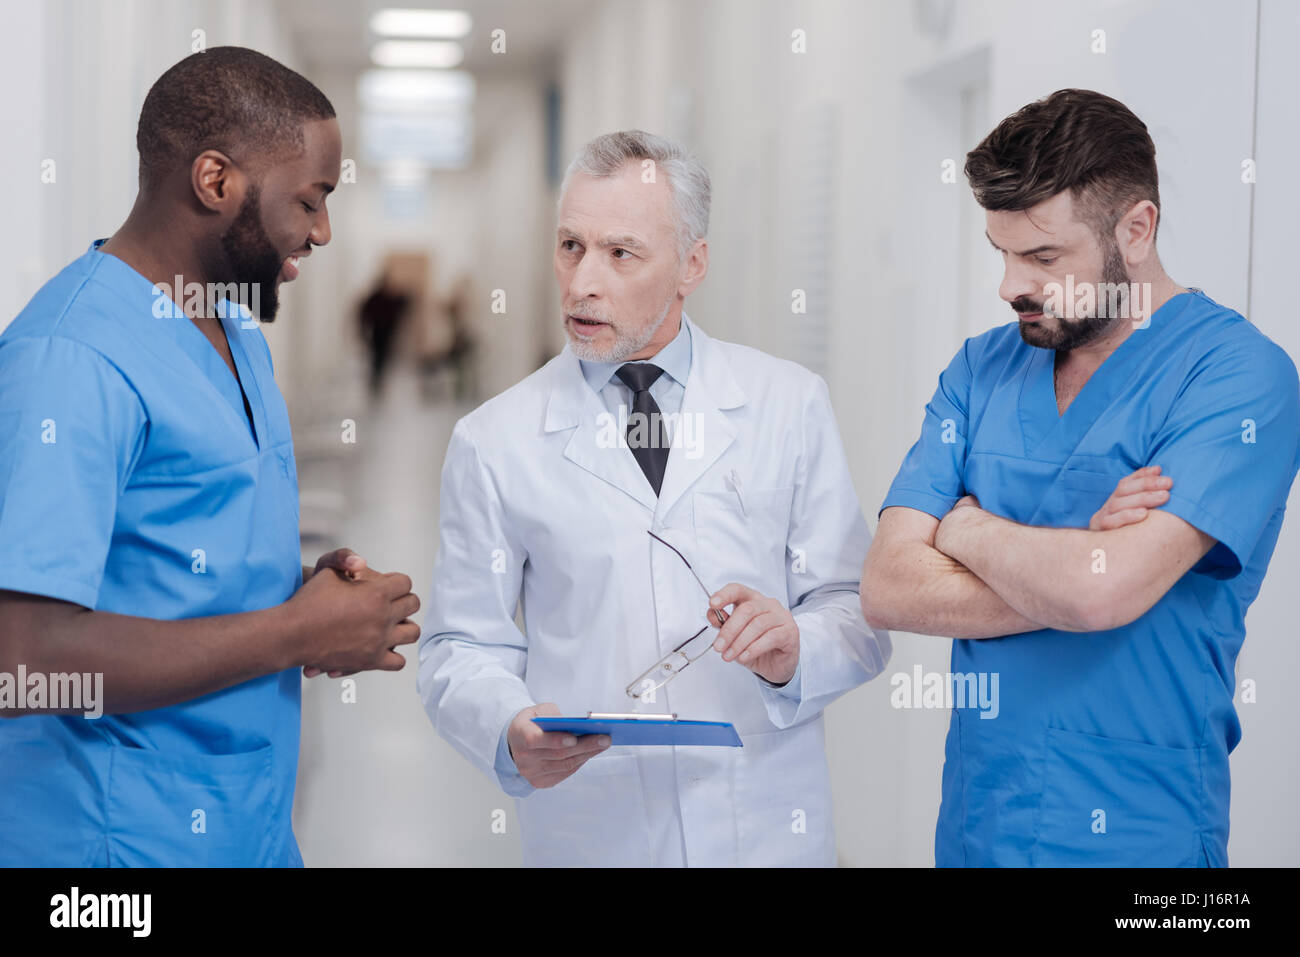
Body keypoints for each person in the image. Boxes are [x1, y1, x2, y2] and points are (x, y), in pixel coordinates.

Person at [419, 130, 890, 866]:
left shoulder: (787, 405)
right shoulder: (495, 439)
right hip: (595, 827)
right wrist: (508, 726)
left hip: (763, 823)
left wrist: (796, 650)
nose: (581, 283)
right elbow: (460, 645)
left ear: (690, 265)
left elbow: (859, 607)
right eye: (570, 246)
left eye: (621, 253)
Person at [0, 47, 420, 867]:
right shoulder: (69, 359)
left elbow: (175, 574)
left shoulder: (237, 338)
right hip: (111, 853)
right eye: (310, 199)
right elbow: (22, 660)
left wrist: (302, 599)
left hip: (241, 826)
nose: (323, 231)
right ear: (215, 180)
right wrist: (293, 631)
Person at [861, 89, 1300, 867]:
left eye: (1042, 257)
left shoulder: (1237, 378)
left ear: (1135, 230)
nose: (1009, 286)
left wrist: (964, 528)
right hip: (977, 828)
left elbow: (1101, 592)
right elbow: (890, 587)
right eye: (1001, 252)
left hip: (1142, 840)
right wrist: (1072, 563)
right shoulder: (981, 368)